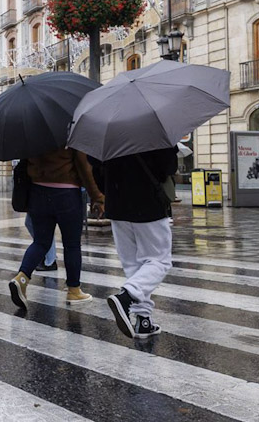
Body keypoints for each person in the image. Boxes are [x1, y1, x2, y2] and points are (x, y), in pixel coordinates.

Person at [92, 146, 178, 340]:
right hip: (148, 202)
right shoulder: (152, 131)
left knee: (133, 266)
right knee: (159, 261)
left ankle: (143, 320)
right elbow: (168, 167)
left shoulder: (107, 132)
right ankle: (126, 296)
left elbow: (95, 168)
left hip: (117, 205)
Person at [9, 147, 103, 309]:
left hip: (37, 192)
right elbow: (83, 165)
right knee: (72, 244)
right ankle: (74, 290)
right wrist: (97, 196)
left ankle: (21, 278)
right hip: (67, 193)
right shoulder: (68, 130)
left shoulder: (32, 131)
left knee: (40, 242)